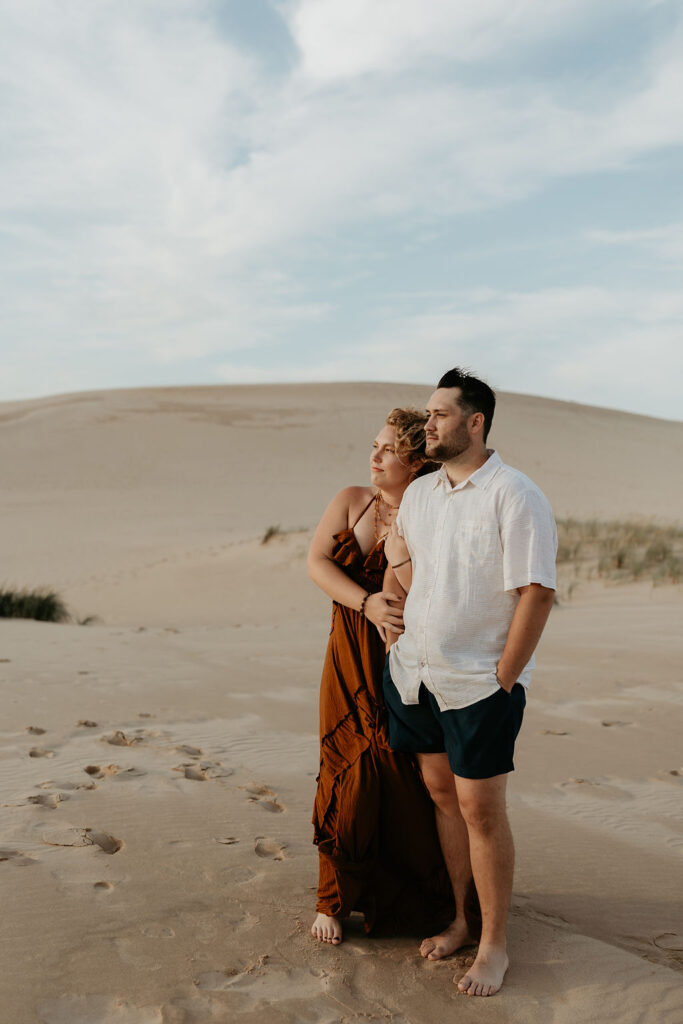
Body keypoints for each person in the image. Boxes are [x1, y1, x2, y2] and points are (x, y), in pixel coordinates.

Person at [383, 368, 557, 997]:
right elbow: (409, 572)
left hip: (480, 682)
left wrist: (504, 678)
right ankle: (461, 919)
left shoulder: (515, 494)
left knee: (482, 810)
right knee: (440, 793)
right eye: (428, 415)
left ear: (474, 422)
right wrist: (387, 609)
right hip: (417, 674)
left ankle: (495, 944)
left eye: (439, 415)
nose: (426, 424)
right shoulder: (424, 494)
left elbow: (537, 593)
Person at [308, 408, 474, 946]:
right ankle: (332, 899)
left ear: (415, 463)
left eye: (387, 451)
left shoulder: (428, 516)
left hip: (400, 662)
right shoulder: (352, 500)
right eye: (374, 445)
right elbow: (317, 563)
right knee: (343, 768)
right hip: (347, 656)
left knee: (402, 777)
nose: (373, 456)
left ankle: (417, 896)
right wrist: (367, 603)